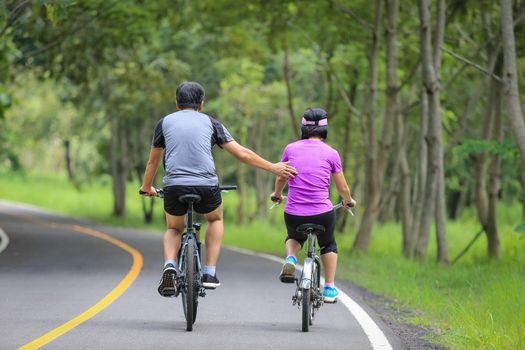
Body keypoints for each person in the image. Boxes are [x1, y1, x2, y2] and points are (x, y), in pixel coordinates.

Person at [140, 81, 297, 297]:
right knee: (215, 219)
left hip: (175, 185)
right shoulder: (211, 123)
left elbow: (153, 162)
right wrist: (273, 167)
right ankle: (210, 273)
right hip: (206, 186)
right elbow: (242, 153)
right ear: (201, 104)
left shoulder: (164, 123)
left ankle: (170, 265)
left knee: (174, 228)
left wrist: (146, 186)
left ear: (177, 103)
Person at [270, 107, 356, 303]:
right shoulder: (331, 153)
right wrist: (348, 201)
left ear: (303, 127)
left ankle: (291, 258)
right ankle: (329, 288)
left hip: (294, 212)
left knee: (294, 236)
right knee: (328, 243)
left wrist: (276, 195)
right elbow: (342, 187)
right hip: (322, 214)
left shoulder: (290, 149)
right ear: (325, 130)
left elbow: (281, 178)